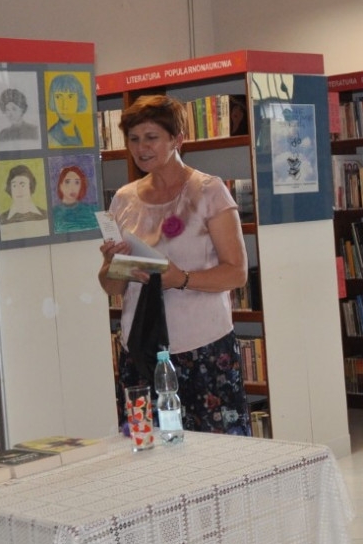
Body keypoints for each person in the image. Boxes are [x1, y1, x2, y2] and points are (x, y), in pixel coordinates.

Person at [99, 95, 252, 434]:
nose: (141, 148)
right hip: (141, 348)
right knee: (147, 448)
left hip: (203, 348)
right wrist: (113, 264)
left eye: (151, 137)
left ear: (177, 139)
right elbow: (112, 287)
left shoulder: (209, 191)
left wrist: (180, 279)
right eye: (133, 139)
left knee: (216, 453)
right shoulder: (123, 199)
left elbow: (237, 273)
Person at [46, 73, 92, 148]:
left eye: (70, 97)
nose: (65, 106)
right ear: (52, 100)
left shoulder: (81, 132)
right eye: (58, 97)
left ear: (79, 99)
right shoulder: (50, 137)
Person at [50, 164, 96, 233]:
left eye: (77, 182)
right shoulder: (53, 213)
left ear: (81, 186)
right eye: (67, 182)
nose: (72, 188)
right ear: (60, 185)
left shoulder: (91, 211)